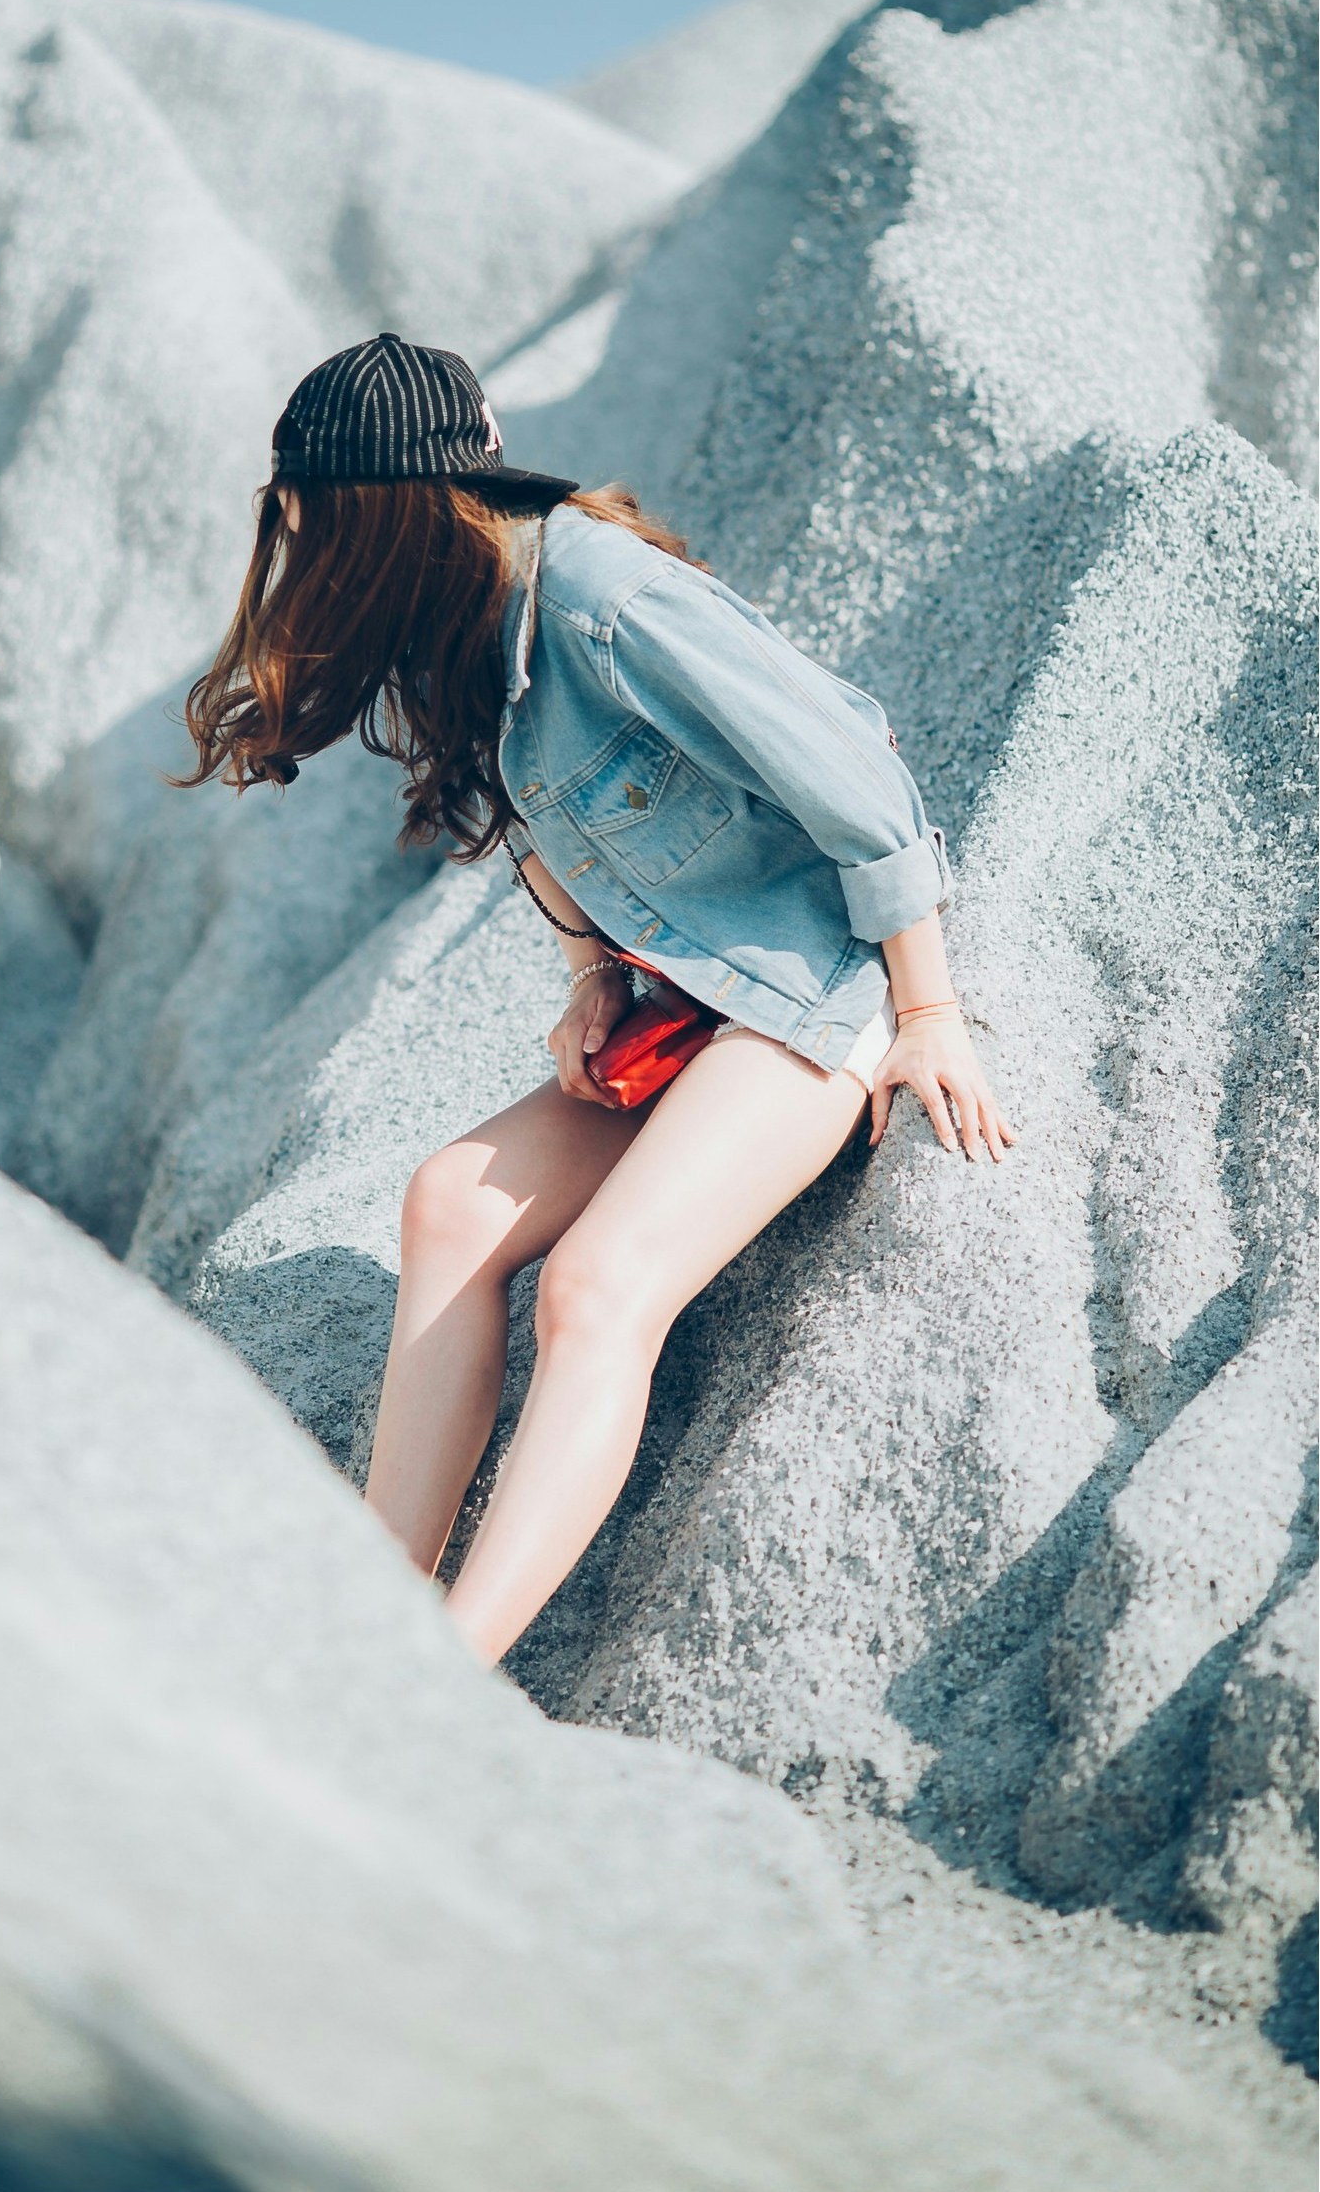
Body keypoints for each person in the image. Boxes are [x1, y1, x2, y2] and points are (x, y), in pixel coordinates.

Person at [180, 332, 1013, 1666]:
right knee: (448, 1196)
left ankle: (449, 1672)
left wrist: (925, 1010)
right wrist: (591, 980)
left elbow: (856, 771)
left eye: (307, 519)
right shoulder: (454, 619)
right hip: (692, 995)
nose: (296, 551)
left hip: (814, 974)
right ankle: (375, 1624)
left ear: (373, 510)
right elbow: (533, 814)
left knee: (595, 1283)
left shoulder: (597, 594)